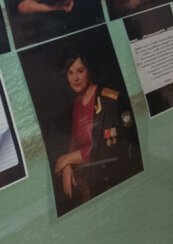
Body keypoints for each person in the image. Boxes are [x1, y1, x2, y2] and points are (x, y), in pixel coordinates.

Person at [53, 51, 141, 206]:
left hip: (115, 177)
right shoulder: (77, 103)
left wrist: (66, 159)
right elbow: (75, 142)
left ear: (89, 70)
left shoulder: (108, 100)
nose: (75, 78)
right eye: (70, 73)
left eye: (80, 71)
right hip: (93, 178)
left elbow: (104, 148)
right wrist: (67, 165)